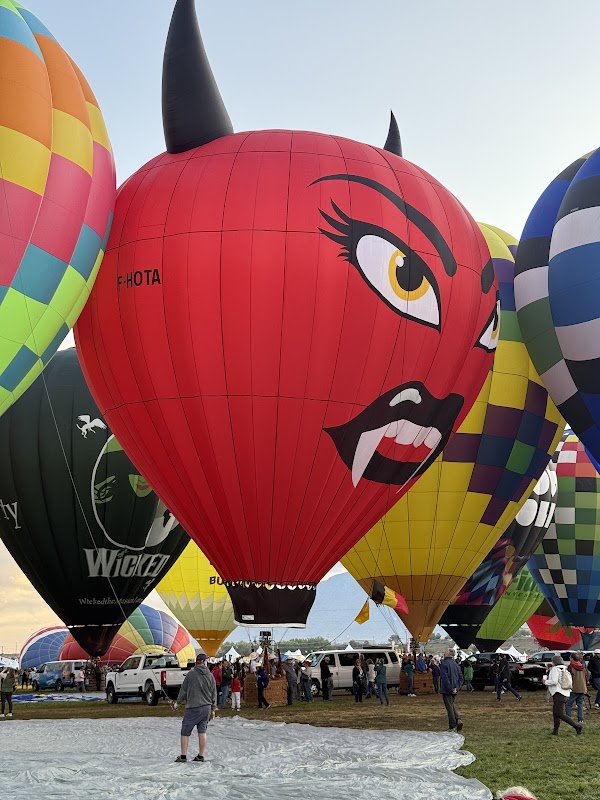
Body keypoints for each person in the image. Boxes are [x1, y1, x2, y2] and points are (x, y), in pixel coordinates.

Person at [173, 653, 217, 762]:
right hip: (206, 707)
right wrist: (213, 708)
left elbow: (183, 690)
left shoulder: (190, 674)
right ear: (204, 662)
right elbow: (214, 692)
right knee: (202, 731)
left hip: (193, 707)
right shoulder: (210, 675)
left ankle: (183, 756)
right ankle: (201, 755)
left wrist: (177, 703)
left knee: (185, 732)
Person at [542, 654, 582, 736]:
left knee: (560, 714)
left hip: (558, 693)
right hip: (565, 692)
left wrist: (545, 681)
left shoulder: (555, 670)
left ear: (554, 662)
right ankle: (555, 731)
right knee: (555, 713)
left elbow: (554, 681)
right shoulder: (564, 669)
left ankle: (577, 726)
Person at [440, 648, 463, 732]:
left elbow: (445, 678)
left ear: (448, 654)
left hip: (447, 689)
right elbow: (461, 678)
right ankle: (458, 719)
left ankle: (453, 725)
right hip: (455, 689)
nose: (444, 653)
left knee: (449, 707)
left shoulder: (444, 664)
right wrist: (457, 687)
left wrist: (450, 688)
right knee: (452, 705)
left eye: (445, 652)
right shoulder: (456, 665)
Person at [565, 652, 587, 725]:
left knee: (568, 704)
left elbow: (568, 677)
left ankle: (568, 719)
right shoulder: (582, 666)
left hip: (574, 688)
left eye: (570, 657)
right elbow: (586, 677)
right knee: (580, 704)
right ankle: (580, 719)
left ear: (572, 658)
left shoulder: (571, 667)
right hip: (582, 687)